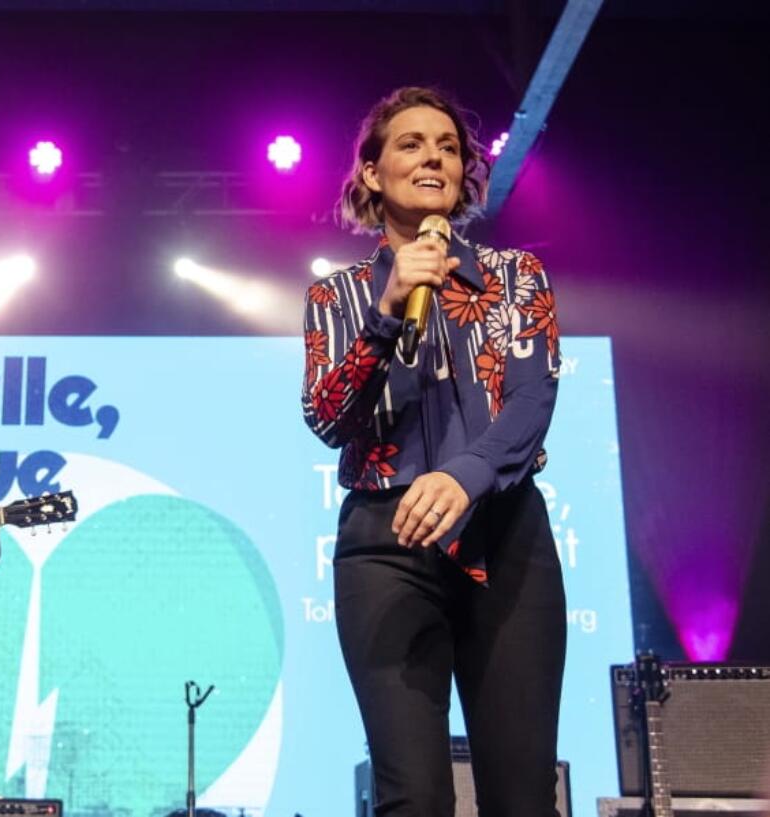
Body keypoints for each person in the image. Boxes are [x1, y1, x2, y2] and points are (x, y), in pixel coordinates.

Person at [301, 86, 565, 816]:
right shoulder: (339, 298)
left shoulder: (517, 277)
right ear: (371, 174)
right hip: (385, 548)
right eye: (412, 144)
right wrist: (386, 317)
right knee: (412, 794)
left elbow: (532, 402)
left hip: (506, 537)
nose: (434, 157)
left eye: (448, 147)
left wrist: (465, 476)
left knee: (521, 797)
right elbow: (327, 416)